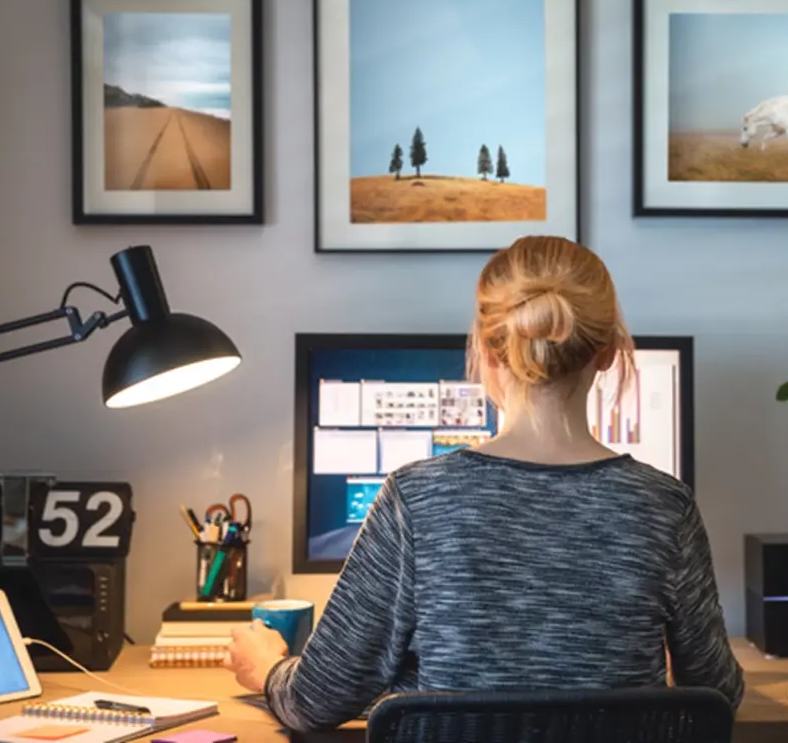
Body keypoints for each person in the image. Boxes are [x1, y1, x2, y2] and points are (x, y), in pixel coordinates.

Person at [224, 235, 745, 731]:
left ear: (489, 352)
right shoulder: (664, 506)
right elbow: (717, 693)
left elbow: (317, 701)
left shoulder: (415, 499)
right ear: (608, 352)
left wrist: (269, 668)